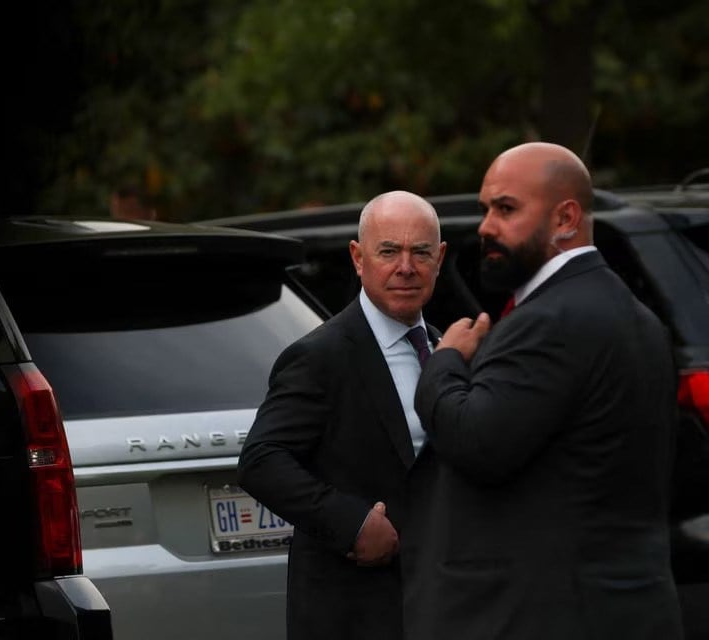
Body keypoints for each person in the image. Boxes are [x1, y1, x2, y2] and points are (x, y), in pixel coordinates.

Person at [403, 142, 684, 639]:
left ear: (566, 218)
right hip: (617, 606)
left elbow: (477, 442)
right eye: (485, 209)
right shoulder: (636, 317)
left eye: (506, 208)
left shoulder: (553, 319)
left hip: (542, 613)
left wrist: (444, 362)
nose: (487, 226)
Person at [237, 191, 447, 640]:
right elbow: (261, 460)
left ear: (440, 258)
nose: (405, 267)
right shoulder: (321, 356)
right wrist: (351, 524)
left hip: (440, 606)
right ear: (358, 257)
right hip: (352, 610)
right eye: (388, 251)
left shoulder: (448, 350)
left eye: (420, 252)